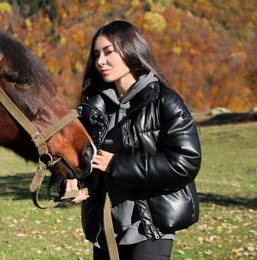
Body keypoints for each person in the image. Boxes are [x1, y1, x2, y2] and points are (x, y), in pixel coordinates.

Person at [65, 20, 202, 259]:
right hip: (105, 228)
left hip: (149, 229)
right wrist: (71, 182)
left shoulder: (165, 102)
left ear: (130, 50)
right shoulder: (91, 108)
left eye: (109, 52)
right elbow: (77, 159)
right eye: (96, 54)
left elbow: (185, 162)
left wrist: (117, 165)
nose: (100, 62)